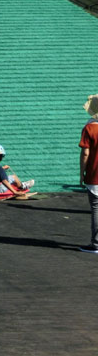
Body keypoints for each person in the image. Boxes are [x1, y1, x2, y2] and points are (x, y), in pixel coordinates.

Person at [78, 94, 98, 253]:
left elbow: (85, 153)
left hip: (94, 176)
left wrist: (81, 174)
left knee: (96, 209)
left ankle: (96, 243)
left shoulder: (90, 128)